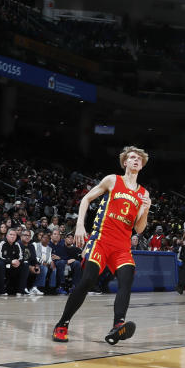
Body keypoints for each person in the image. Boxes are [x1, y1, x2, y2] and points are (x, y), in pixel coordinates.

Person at [52, 146, 152, 345]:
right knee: (88, 279)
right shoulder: (112, 180)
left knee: (126, 279)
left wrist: (146, 209)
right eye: (132, 157)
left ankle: (117, 326)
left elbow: (139, 229)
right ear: (125, 162)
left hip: (122, 247)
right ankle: (62, 324)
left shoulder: (143, 193)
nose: (135, 160)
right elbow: (86, 199)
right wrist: (80, 225)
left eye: (139, 159)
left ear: (142, 165)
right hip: (101, 240)